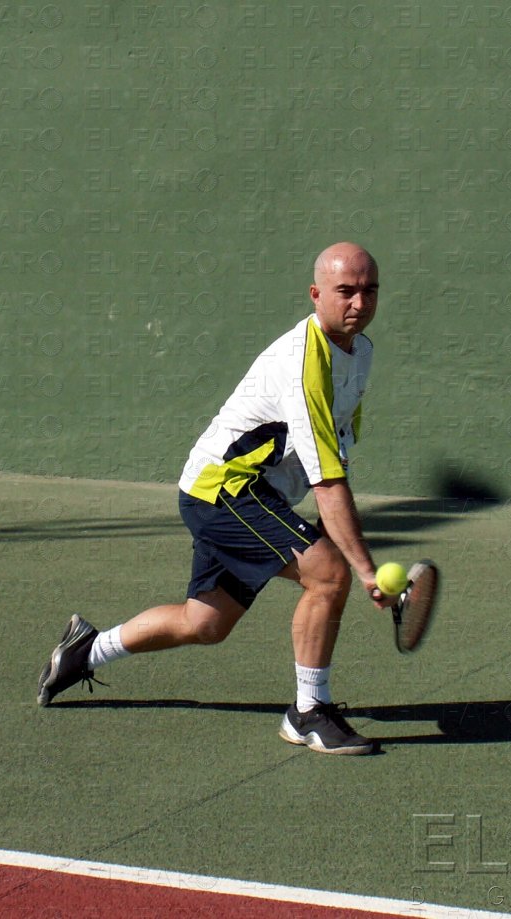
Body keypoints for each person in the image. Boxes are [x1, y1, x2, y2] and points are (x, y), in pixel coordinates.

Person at [37, 241, 392, 755]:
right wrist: (363, 569)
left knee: (204, 623)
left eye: (369, 290)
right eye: (345, 291)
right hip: (223, 491)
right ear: (316, 295)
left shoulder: (361, 355)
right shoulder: (303, 363)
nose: (359, 302)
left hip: (248, 494)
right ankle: (308, 712)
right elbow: (326, 482)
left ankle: (86, 651)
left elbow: (333, 458)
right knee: (328, 573)